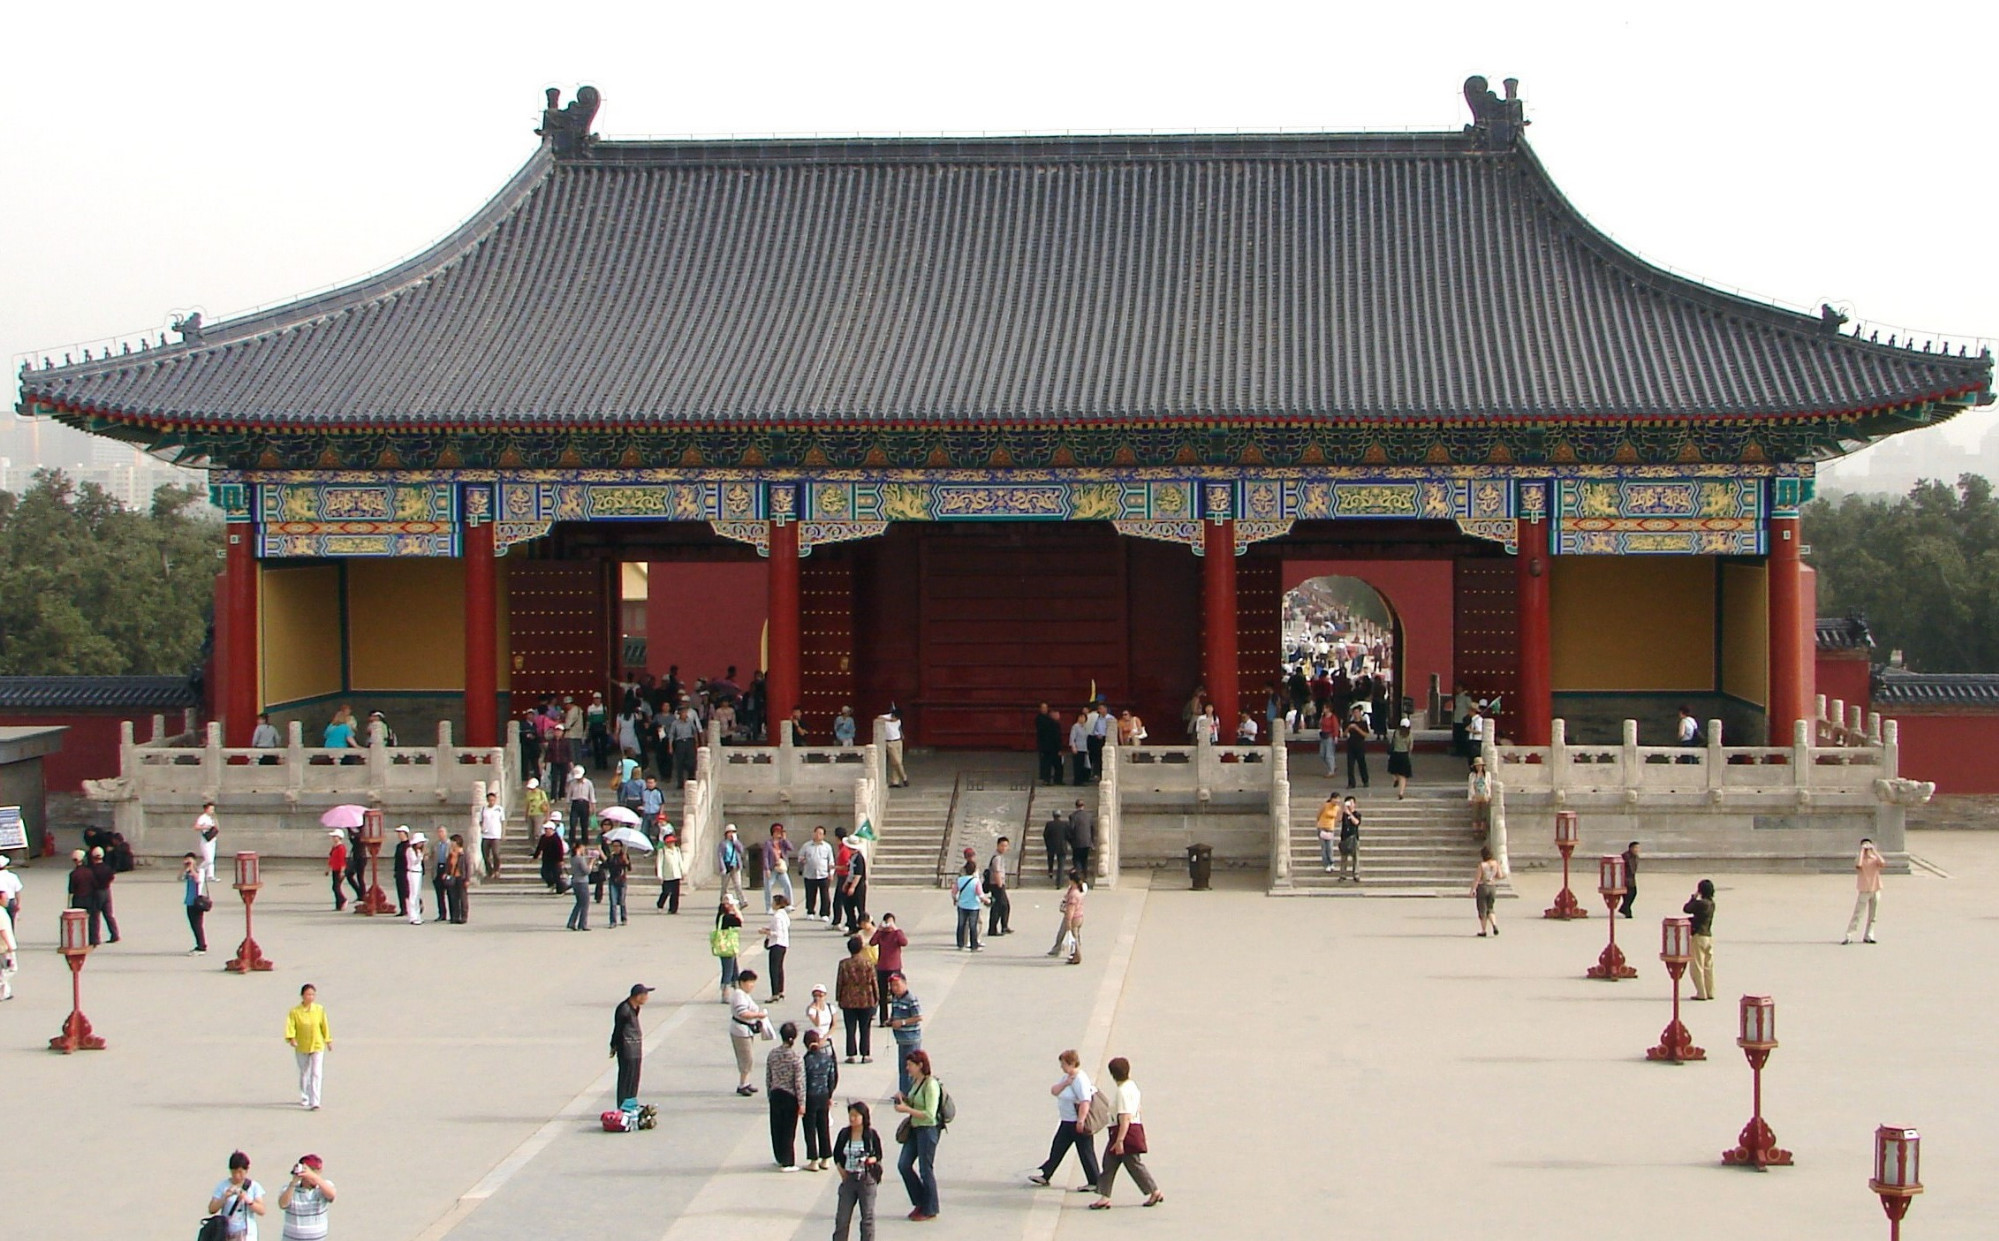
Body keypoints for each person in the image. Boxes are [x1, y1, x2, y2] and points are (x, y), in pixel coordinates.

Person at [1090, 1056, 1161, 1209]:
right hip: (1130, 1129)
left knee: (1132, 1164)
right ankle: (1104, 1196)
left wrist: (1120, 1140)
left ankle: (1153, 1191)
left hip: (1123, 1133)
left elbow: (1125, 1117)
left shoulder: (1122, 1092)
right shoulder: (1132, 1086)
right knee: (1110, 1163)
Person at [1030, 1049, 1102, 1190]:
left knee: (1086, 1152)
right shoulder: (1068, 1078)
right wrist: (1065, 1083)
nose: (1061, 1066)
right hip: (1067, 1121)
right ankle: (1046, 1175)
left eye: (1063, 1063)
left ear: (1070, 1063)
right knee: (1058, 1147)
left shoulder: (1080, 1079)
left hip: (1076, 1122)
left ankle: (1095, 1181)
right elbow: (1054, 1091)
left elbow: (1085, 1101)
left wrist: (1081, 1120)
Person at [893, 1049, 943, 1221]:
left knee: (925, 1169)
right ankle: (920, 1200)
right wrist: (904, 1099)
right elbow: (916, 1103)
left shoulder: (930, 1084)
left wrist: (906, 1109)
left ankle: (930, 1207)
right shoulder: (916, 1082)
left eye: (910, 1065)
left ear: (920, 1065)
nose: (907, 1068)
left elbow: (930, 1114)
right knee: (903, 1164)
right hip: (915, 1128)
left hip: (927, 1130)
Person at [833, 1101, 884, 1241]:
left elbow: (878, 1154)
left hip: (866, 1179)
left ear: (864, 1117)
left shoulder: (871, 1134)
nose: (852, 1118)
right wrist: (842, 1171)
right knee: (842, 1218)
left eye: (856, 1115)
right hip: (849, 1178)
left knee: (867, 1218)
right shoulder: (844, 1134)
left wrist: (870, 1160)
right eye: (851, 1115)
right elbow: (837, 1154)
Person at [284, 984, 332, 1110]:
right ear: (302, 996)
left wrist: (328, 1040)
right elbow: (290, 1026)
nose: (310, 997)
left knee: (316, 1073)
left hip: (317, 1044)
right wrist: (292, 1038)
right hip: (302, 1045)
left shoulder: (319, 1009)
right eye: (308, 994)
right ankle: (305, 1095)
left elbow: (324, 1025)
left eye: (312, 995)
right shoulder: (295, 1012)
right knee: (304, 1072)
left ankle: (315, 1101)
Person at [767, 1021, 805, 1170]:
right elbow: (799, 1081)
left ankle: (779, 1156)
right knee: (789, 1129)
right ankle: (788, 1160)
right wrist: (802, 1102)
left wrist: (769, 1093)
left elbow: (768, 1076)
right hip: (790, 1095)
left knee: (776, 1127)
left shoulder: (773, 1054)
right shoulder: (796, 1057)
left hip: (776, 1093)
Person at [801, 1028, 841, 1171]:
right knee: (823, 1127)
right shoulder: (827, 1058)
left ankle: (813, 1160)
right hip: (824, 1095)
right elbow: (833, 1077)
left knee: (810, 1128)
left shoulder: (805, 1060)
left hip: (810, 1097)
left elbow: (802, 1081)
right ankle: (825, 1158)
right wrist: (830, 1094)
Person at [837, 936, 878, 1064]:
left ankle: (851, 1054)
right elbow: (873, 981)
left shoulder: (844, 964)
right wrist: (877, 997)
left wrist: (838, 997)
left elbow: (840, 982)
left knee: (850, 1027)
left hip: (848, 999)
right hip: (866, 998)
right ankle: (865, 1054)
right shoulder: (868, 963)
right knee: (865, 1027)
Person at [208, 1150, 267, 1240]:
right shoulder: (222, 1185)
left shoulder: (254, 1186)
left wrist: (248, 1200)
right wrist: (225, 1197)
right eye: (234, 1172)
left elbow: (262, 1210)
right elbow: (212, 1209)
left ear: (246, 1170)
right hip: (227, 1233)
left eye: (240, 1172)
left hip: (247, 1234)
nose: (237, 1176)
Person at [728, 968, 768, 1096]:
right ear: (742, 982)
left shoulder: (744, 995)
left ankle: (746, 1082)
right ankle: (742, 1084)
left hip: (746, 1030)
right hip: (740, 1031)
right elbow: (743, 1013)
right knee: (746, 1058)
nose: (752, 986)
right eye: (750, 983)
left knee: (748, 1058)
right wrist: (758, 1015)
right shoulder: (739, 995)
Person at [276, 1154, 336, 1239]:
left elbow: (331, 1195)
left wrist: (314, 1178)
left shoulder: (324, 1186)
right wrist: (294, 1181)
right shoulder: (289, 1188)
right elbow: (283, 1204)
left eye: (317, 1171)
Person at [611, 983, 651, 1104]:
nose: (647, 998)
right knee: (626, 1079)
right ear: (638, 996)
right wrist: (614, 1045)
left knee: (634, 1080)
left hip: (635, 1050)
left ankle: (630, 1104)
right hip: (627, 1050)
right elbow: (618, 1029)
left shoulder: (635, 1008)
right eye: (645, 995)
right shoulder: (624, 1009)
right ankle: (623, 1106)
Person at [884, 973, 924, 1095]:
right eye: (892, 985)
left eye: (897, 985)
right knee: (903, 1067)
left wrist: (903, 1022)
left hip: (911, 1039)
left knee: (911, 1068)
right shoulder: (896, 998)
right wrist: (891, 1021)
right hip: (901, 1040)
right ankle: (903, 1091)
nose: (894, 988)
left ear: (904, 984)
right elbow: (895, 1013)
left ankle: (910, 1093)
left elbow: (919, 1017)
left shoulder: (911, 999)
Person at [1845, 838, 1886, 944]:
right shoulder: (1860, 858)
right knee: (1858, 914)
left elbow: (1882, 863)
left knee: (1873, 915)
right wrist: (1862, 851)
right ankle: (1849, 935)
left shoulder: (1874, 858)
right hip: (1864, 890)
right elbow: (1858, 865)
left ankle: (1869, 935)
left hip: (1875, 889)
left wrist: (1874, 850)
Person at [870, 915, 907, 1027]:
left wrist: (896, 929)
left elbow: (904, 942)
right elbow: (872, 942)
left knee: (896, 994)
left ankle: (895, 1017)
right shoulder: (881, 934)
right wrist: (879, 930)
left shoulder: (896, 934)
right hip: (882, 967)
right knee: (882, 994)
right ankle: (883, 1019)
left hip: (894, 967)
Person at [1684, 879, 1716, 999]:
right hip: (1708, 936)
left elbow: (1687, 908)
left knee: (1697, 966)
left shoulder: (1701, 903)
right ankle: (1710, 991)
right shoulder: (1711, 904)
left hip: (1698, 936)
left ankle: (1701, 993)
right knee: (1708, 966)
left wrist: (1693, 898)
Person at [1049, 870, 1086, 964]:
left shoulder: (1073, 894)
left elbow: (1071, 910)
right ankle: (1074, 955)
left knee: (1074, 938)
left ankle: (1077, 956)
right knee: (1076, 936)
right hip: (1080, 916)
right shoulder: (1079, 891)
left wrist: (1068, 921)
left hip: (1074, 918)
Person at [799, 825, 834, 920]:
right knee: (810, 894)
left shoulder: (827, 847)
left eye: (820, 834)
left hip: (823, 874)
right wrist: (802, 860)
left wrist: (831, 873)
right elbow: (800, 856)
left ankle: (824, 913)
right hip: (809, 874)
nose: (818, 835)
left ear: (823, 836)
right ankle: (810, 911)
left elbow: (831, 861)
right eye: (816, 833)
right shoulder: (806, 846)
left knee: (825, 895)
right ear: (813, 833)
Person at [952, 860, 987, 951]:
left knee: (961, 924)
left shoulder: (960, 880)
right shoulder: (976, 881)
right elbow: (980, 895)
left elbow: (954, 892)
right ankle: (973, 945)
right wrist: (987, 900)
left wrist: (955, 899)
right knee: (973, 926)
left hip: (962, 905)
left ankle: (960, 944)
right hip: (973, 906)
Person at [714, 895, 744, 998]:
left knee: (734, 968)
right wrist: (736, 909)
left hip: (726, 946)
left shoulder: (721, 916)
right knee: (728, 969)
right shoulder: (727, 917)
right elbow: (740, 920)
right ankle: (725, 991)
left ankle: (737, 989)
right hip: (727, 946)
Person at [763, 893, 792, 1000]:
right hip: (784, 944)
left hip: (776, 944)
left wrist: (766, 932)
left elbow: (777, 933)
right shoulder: (784, 915)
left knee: (774, 969)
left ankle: (775, 992)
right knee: (779, 968)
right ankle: (780, 990)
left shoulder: (777, 917)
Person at [1471, 846, 1504, 937]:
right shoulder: (1496, 864)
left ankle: (1483, 930)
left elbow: (1477, 879)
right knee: (1490, 908)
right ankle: (1494, 925)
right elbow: (1500, 876)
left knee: (1482, 909)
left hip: (1483, 887)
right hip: (1492, 886)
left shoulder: (1482, 865)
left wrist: (1473, 889)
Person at [763, 823, 796, 912]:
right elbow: (765, 856)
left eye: (780, 832)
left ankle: (789, 904)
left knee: (787, 885)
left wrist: (785, 839)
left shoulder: (782, 843)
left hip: (781, 868)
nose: (779, 834)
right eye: (777, 832)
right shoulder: (768, 843)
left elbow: (791, 848)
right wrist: (766, 869)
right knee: (768, 887)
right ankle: (768, 907)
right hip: (771, 868)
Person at [183, 852, 210, 955]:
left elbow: (198, 879)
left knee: (198, 925)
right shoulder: (187, 872)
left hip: (197, 903)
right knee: (193, 925)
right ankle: (199, 944)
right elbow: (179, 877)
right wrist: (184, 868)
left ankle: (202, 946)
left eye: (190, 860)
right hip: (189, 902)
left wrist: (192, 868)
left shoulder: (200, 871)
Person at [717, 824, 749, 908]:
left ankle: (743, 901)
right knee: (725, 886)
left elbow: (741, 850)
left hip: (735, 866)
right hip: (727, 866)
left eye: (733, 832)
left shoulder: (736, 843)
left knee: (738, 885)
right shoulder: (723, 844)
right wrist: (722, 867)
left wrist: (735, 841)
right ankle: (723, 901)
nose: (731, 834)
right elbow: (720, 856)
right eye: (730, 832)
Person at [986, 837, 1013, 936]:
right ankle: (993, 929)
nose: (1004, 848)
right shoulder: (997, 858)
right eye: (1002, 845)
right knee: (999, 906)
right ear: (998, 845)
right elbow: (997, 872)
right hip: (997, 885)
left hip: (998, 884)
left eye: (1006, 846)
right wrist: (1000, 884)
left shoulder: (1000, 856)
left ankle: (1003, 926)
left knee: (1003, 906)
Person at [655, 829, 686, 912]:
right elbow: (659, 863)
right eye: (669, 842)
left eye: (672, 842)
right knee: (666, 892)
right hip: (667, 875)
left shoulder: (677, 850)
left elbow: (680, 862)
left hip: (676, 874)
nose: (671, 844)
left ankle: (673, 909)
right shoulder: (663, 851)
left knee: (675, 893)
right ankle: (660, 905)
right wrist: (660, 875)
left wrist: (683, 872)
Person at [564, 767, 595, 850]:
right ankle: (572, 840)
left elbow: (591, 795)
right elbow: (569, 795)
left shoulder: (588, 783)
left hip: (584, 804)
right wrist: (567, 806)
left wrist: (592, 806)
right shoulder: (572, 783)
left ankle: (585, 840)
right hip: (575, 803)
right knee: (572, 823)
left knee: (584, 824)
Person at [1035, 701, 1064, 785]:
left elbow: (1058, 737)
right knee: (1046, 764)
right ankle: (1046, 779)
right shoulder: (1041, 719)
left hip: (1054, 747)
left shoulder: (1054, 723)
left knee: (1057, 764)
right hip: (1046, 746)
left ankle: (1057, 779)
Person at [567, 845, 594, 931]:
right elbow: (586, 871)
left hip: (575, 881)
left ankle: (572, 921)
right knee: (585, 904)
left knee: (579, 903)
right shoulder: (580, 859)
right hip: (582, 882)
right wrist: (591, 862)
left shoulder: (573, 858)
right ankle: (582, 924)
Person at [478, 791, 505, 878]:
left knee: (496, 853)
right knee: (485, 855)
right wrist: (482, 827)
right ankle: (490, 871)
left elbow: (503, 821)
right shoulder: (484, 809)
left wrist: (503, 833)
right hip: (486, 835)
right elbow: (480, 821)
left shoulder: (499, 809)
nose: (491, 802)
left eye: (493, 800)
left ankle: (497, 870)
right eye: (490, 800)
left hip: (495, 834)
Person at [533, 819, 565, 894]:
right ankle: (551, 884)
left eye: (547, 829)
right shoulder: (543, 837)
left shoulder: (556, 838)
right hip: (546, 859)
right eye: (545, 829)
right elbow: (539, 847)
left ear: (552, 829)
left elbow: (560, 850)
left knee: (556, 875)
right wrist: (535, 856)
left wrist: (561, 860)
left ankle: (560, 890)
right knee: (544, 873)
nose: (546, 830)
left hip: (555, 859)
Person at [1069, 799, 1096, 882]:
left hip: (1077, 842)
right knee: (1085, 860)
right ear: (1083, 806)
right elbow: (1092, 829)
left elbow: (1071, 829)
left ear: (1076, 806)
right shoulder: (1089, 816)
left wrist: (1070, 841)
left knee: (1076, 860)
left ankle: (1078, 877)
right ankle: (1085, 877)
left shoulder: (1073, 816)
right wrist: (1092, 841)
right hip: (1087, 842)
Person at [402, 828, 425, 925]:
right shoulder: (410, 850)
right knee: (413, 894)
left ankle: (417, 914)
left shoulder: (418, 851)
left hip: (418, 872)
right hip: (412, 872)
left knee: (417, 894)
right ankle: (412, 916)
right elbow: (414, 861)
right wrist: (421, 856)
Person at [879, 708, 908, 788]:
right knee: (897, 761)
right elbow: (878, 718)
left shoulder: (898, 720)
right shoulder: (885, 717)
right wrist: (889, 720)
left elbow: (898, 729)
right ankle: (904, 777)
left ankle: (895, 781)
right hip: (890, 742)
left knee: (897, 762)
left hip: (898, 741)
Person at [605, 840, 631, 928]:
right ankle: (613, 921)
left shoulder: (624, 855)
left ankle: (624, 918)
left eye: (617, 846)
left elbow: (629, 867)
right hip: (613, 880)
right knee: (613, 901)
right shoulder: (611, 856)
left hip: (622, 880)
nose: (616, 848)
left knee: (622, 901)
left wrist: (626, 861)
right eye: (614, 846)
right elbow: (607, 866)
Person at [445, 835, 470, 923]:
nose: (451, 844)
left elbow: (467, 867)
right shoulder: (451, 854)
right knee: (453, 897)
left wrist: (467, 879)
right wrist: (446, 873)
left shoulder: (463, 854)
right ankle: (455, 916)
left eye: (453, 842)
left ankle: (464, 916)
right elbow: (448, 865)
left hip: (461, 877)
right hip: (452, 877)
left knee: (462, 897)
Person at [1344, 708, 1372, 789]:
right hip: (1351, 746)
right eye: (1354, 712)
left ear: (1360, 713)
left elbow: (1366, 734)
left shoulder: (1363, 723)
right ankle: (1351, 783)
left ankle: (1365, 780)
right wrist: (1349, 728)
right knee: (1350, 766)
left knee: (1362, 764)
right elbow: (1344, 734)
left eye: (1357, 712)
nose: (1356, 714)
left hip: (1360, 746)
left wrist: (1357, 728)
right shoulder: (1350, 723)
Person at [1388, 716, 1415, 798]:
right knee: (1403, 776)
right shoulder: (1409, 734)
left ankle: (1396, 779)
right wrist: (1409, 754)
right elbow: (1410, 746)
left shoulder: (1396, 732)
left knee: (1393, 770)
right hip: (1404, 755)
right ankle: (1401, 793)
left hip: (1395, 754)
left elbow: (1392, 742)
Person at [1337, 795, 1362, 883]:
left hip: (1354, 838)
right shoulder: (1343, 814)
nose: (1350, 805)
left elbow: (1356, 822)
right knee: (1344, 858)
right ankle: (1342, 874)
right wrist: (1342, 810)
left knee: (1355, 857)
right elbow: (1338, 819)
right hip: (1344, 838)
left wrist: (1350, 814)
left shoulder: (1357, 814)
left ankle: (1356, 874)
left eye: (1351, 803)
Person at [1043, 808, 1071, 882]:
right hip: (1062, 846)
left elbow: (1045, 835)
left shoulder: (1049, 824)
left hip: (1051, 846)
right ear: (1060, 816)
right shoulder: (1064, 824)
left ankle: (1050, 871)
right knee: (1061, 865)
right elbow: (1068, 835)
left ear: (1053, 816)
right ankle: (1059, 882)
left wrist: (1047, 844)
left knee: (1050, 860)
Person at [1468, 757, 1493, 841]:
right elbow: (1470, 786)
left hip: (1484, 796)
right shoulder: (1472, 775)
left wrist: (1489, 795)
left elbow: (1488, 786)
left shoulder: (1487, 775)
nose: (1479, 767)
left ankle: (1483, 832)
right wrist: (1470, 798)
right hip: (1476, 796)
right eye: (1477, 766)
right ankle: (1476, 832)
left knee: (1483, 815)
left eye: (1480, 766)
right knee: (1475, 815)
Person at [196, 799, 220, 881]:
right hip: (206, 840)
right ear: (206, 809)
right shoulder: (202, 818)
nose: (212, 811)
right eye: (210, 809)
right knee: (208, 859)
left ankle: (210, 875)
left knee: (212, 859)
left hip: (212, 839)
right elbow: (196, 827)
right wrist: (205, 827)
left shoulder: (211, 818)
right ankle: (199, 869)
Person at [430, 828, 451, 922]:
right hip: (438, 869)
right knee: (439, 894)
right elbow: (431, 856)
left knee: (450, 894)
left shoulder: (450, 844)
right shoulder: (435, 845)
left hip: (447, 869)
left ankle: (453, 913)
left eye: (442, 832)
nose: (440, 834)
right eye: (439, 832)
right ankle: (442, 914)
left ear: (446, 833)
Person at [1068, 711, 1091, 785]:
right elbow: (1072, 737)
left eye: (1083, 717)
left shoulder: (1084, 727)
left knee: (1082, 765)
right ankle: (1077, 781)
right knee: (1077, 765)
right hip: (1077, 748)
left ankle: (1081, 780)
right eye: (1080, 717)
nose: (1082, 719)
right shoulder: (1075, 727)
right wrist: (1073, 747)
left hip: (1083, 748)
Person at [1620, 841, 1640, 918]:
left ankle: (1624, 909)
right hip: (1625, 879)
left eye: (1638, 848)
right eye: (1635, 848)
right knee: (1628, 896)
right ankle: (1627, 912)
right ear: (1631, 848)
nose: (1637, 849)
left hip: (1631, 879)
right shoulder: (1625, 856)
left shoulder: (1636, 857)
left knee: (1633, 893)